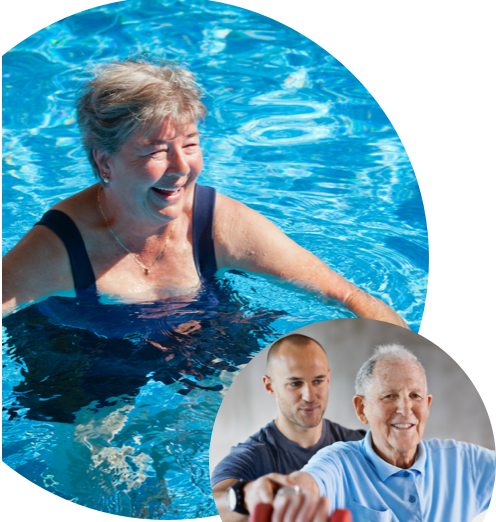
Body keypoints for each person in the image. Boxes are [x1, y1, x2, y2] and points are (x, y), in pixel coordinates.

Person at [2, 58, 409, 329]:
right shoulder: (58, 249)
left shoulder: (218, 224)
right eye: (158, 150)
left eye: (191, 144)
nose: (182, 167)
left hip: (198, 334)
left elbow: (347, 296)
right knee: (95, 456)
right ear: (105, 163)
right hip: (80, 355)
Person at [245, 344, 496, 522]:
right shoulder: (341, 461)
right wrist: (291, 495)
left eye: (415, 396)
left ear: (428, 404)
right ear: (361, 408)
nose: (405, 408)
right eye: (389, 396)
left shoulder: (465, 462)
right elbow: (311, 481)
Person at [211, 334, 366, 522]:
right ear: (270, 386)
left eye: (317, 381)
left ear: (328, 379)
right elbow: (214, 503)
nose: (309, 395)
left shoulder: (357, 445)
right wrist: (245, 496)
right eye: (295, 383)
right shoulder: (253, 455)